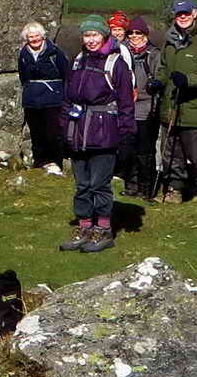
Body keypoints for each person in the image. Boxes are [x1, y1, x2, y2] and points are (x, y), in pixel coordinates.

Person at [57, 17, 135, 254]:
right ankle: (84, 227)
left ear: (104, 36)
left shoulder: (117, 64)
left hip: (104, 131)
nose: (90, 40)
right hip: (78, 130)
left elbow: (125, 101)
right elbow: (68, 95)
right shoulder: (78, 60)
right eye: (86, 35)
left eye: (94, 35)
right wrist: (63, 124)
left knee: (99, 184)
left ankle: (103, 229)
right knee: (81, 184)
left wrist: (126, 132)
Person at [151, 0, 197, 202]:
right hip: (171, 105)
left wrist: (189, 80)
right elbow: (164, 68)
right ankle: (174, 190)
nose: (182, 17)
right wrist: (158, 82)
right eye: (178, 13)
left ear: (194, 13)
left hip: (196, 107)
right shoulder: (170, 38)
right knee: (171, 152)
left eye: (186, 13)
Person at [114, 18, 163, 200]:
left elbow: (161, 75)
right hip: (127, 106)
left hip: (147, 106)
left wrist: (156, 84)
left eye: (138, 33)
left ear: (145, 35)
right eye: (131, 33)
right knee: (128, 149)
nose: (134, 36)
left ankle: (146, 188)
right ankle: (131, 185)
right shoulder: (121, 52)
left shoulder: (154, 54)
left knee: (145, 150)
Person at [17, 22, 69, 174]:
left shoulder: (54, 52)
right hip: (32, 100)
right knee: (36, 132)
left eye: (37, 36)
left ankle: (56, 161)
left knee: (53, 132)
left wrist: (63, 95)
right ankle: (40, 162)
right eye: (30, 37)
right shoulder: (23, 54)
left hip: (53, 98)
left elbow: (65, 73)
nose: (34, 39)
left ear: (43, 36)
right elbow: (23, 76)